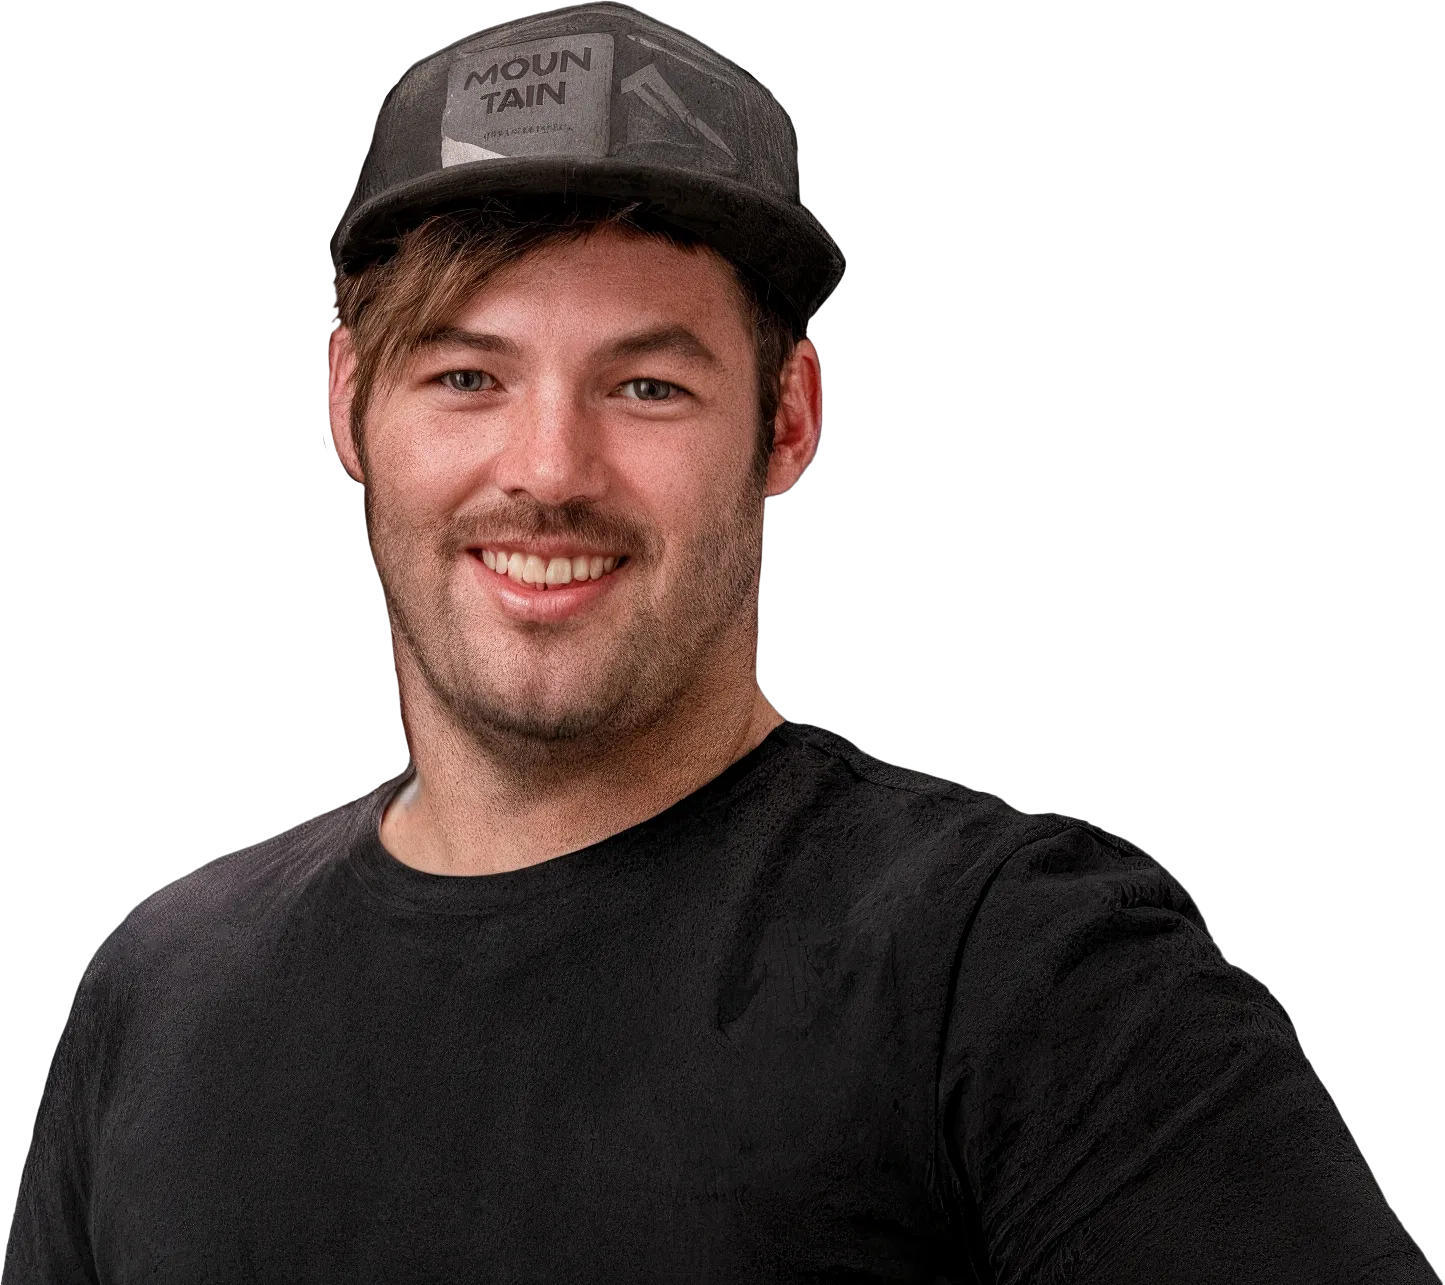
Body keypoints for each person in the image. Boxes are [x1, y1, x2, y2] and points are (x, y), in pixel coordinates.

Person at [3, 4, 1438, 1283]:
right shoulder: (161, 992)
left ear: (788, 421)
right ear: (345, 406)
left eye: (645, 385)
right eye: (467, 375)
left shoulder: (1018, 973)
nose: (547, 469)